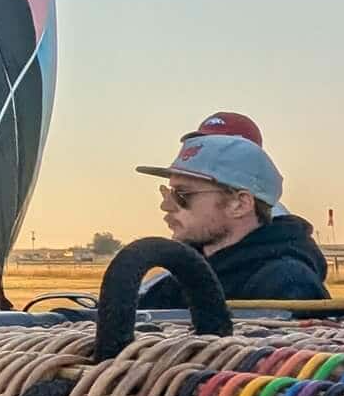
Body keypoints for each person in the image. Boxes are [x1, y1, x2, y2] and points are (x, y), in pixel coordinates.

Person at [134, 129, 330, 306]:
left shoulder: (286, 284)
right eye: (167, 193)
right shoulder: (179, 279)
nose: (166, 205)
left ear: (240, 204)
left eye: (183, 195)